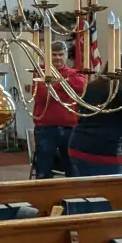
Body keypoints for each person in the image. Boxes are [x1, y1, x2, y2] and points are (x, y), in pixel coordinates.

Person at [31, 41, 87, 178]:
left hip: (70, 127)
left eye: (61, 54)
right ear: (48, 56)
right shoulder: (40, 72)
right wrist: (66, 84)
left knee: (72, 169)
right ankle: (43, 198)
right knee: (43, 169)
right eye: (54, 54)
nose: (58, 58)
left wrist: (57, 83)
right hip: (45, 127)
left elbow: (82, 85)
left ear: (66, 55)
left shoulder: (73, 72)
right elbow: (42, 95)